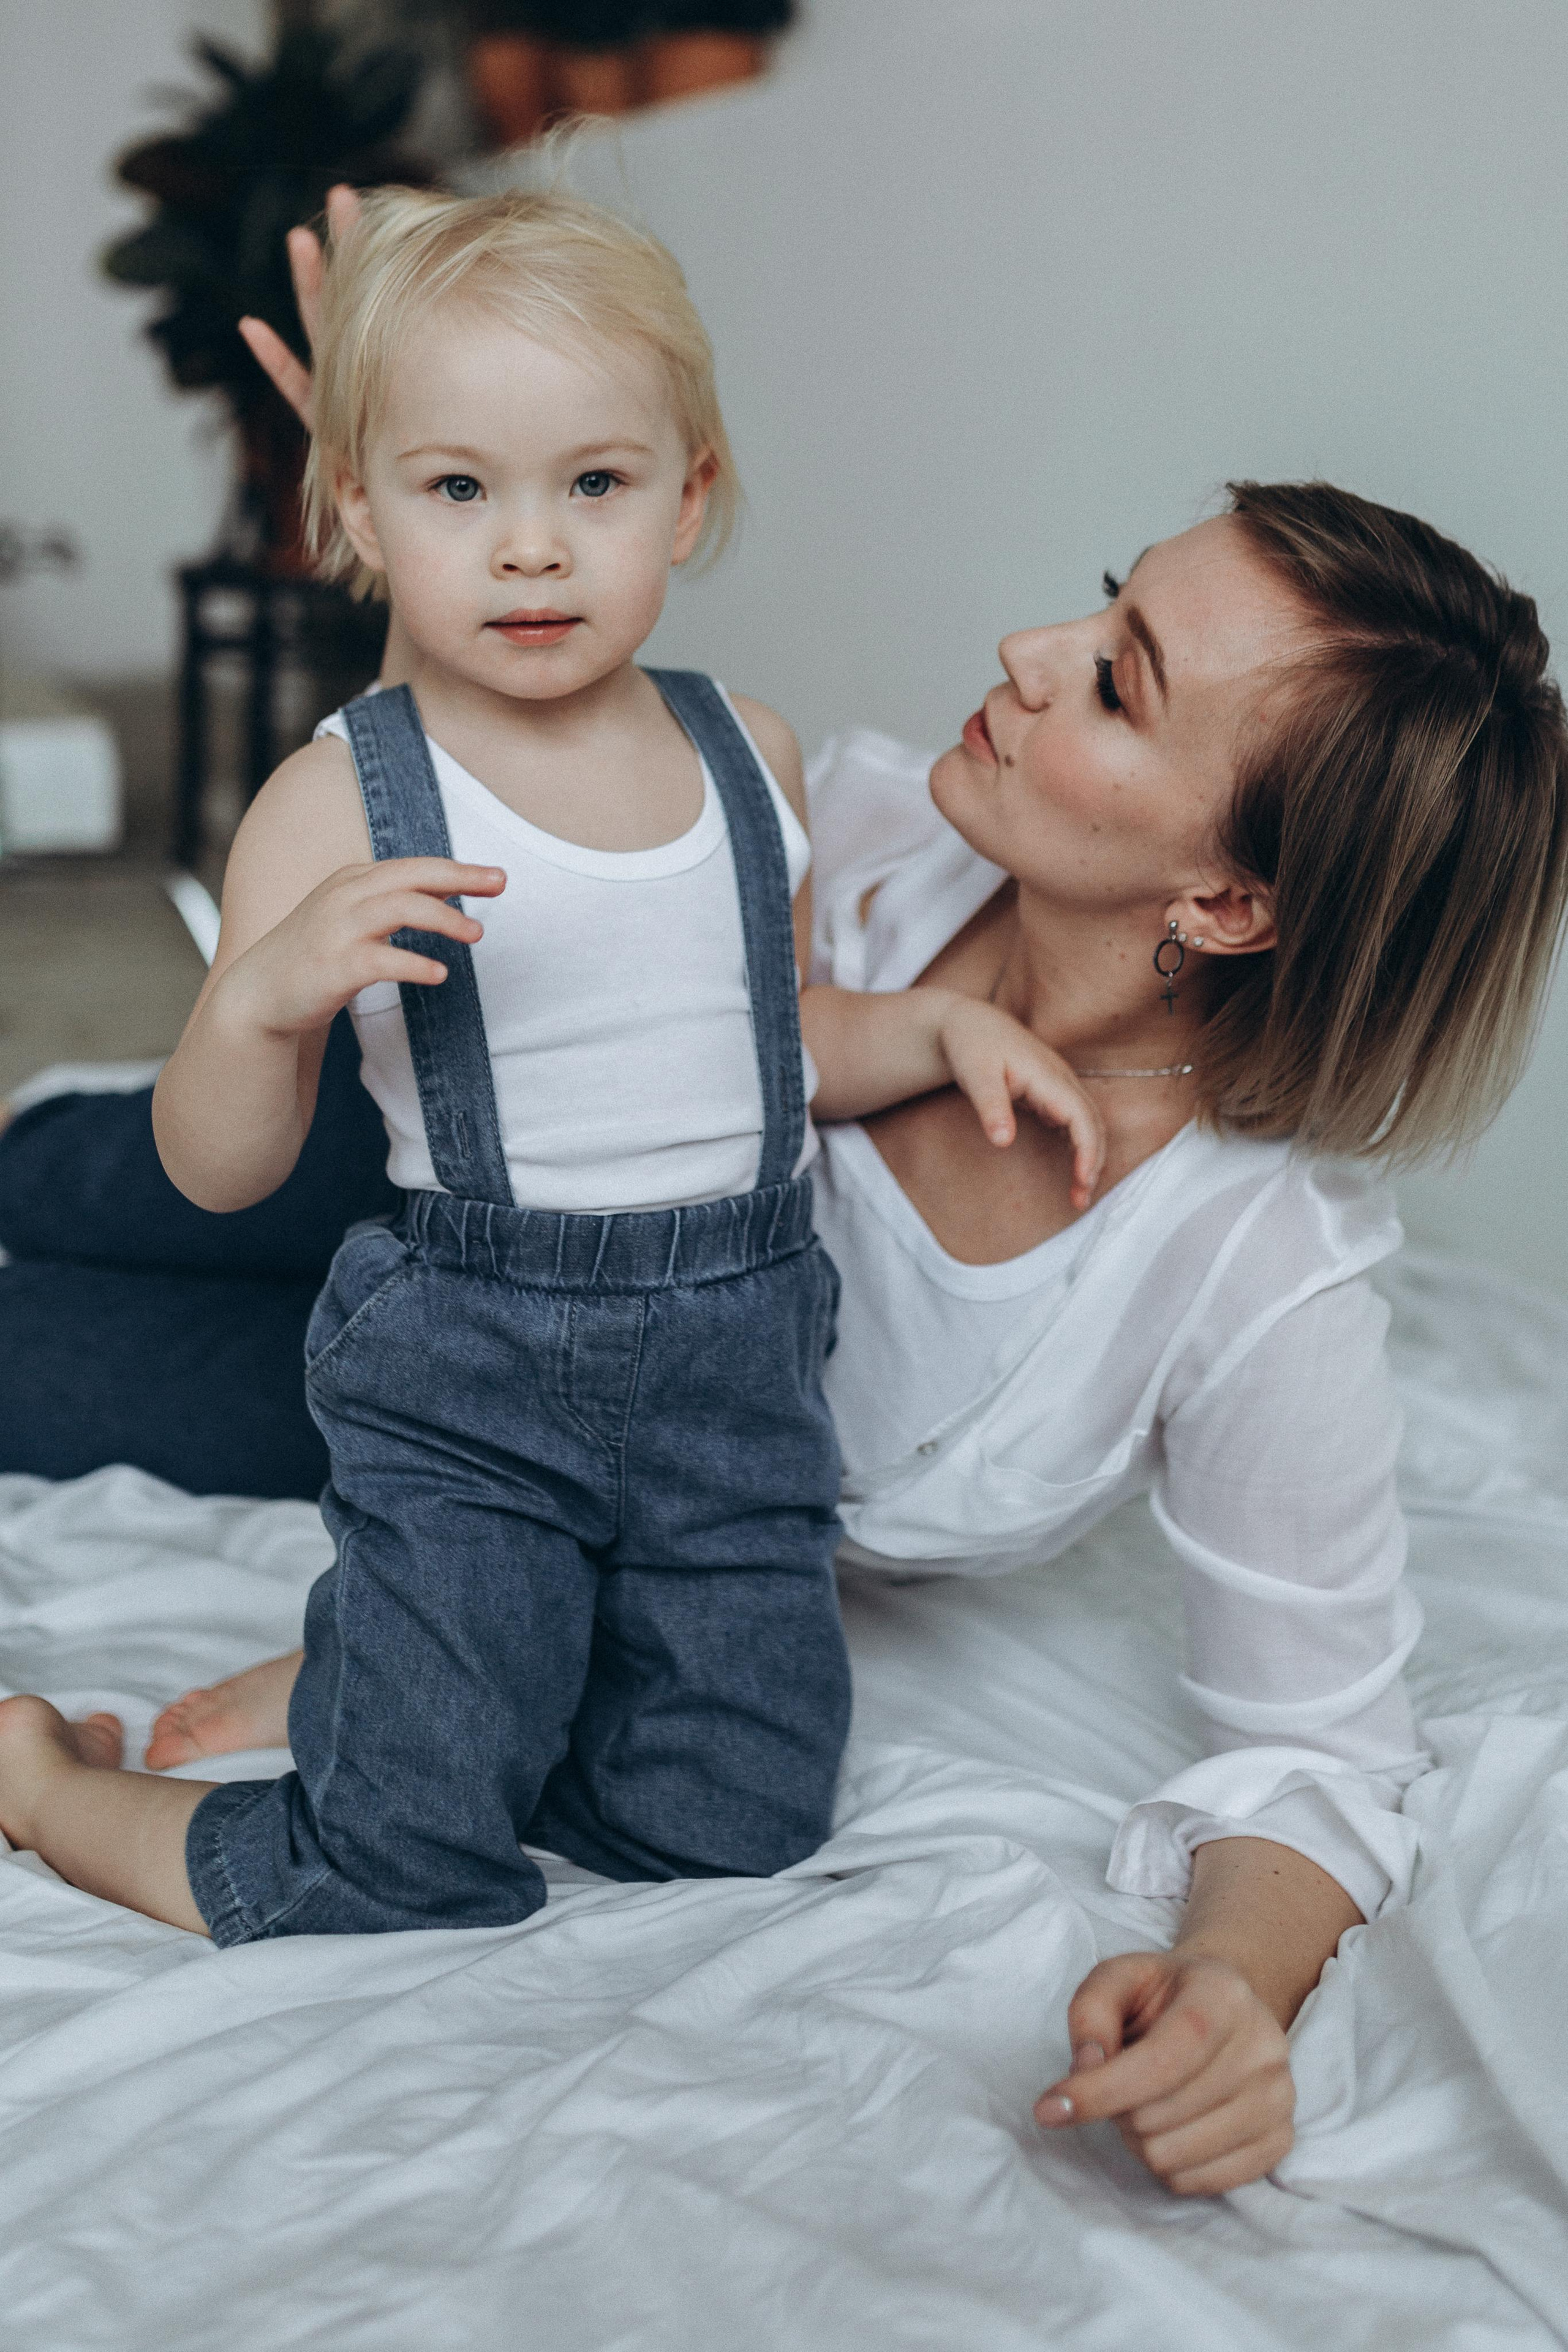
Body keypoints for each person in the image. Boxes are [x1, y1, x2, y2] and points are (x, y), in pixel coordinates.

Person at [2, 199, 1564, 2199]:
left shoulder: (1251, 1271)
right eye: (1100, 600)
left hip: (489, 1404)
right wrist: (404, 488)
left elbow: (1327, 1752)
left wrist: (1238, 1987)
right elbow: (509, 799)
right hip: (404, 1189)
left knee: (39, 1360)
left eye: (1116, 682)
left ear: (1232, 900)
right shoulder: (882, 823)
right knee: (80, 1155)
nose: (1027, 652)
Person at [0, 189, 1096, 1948]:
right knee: (402, 1861)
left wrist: (936, 1031)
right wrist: (260, 1003)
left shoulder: (749, 753)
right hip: (473, 1371)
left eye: (594, 485)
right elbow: (220, 1166)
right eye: (458, 490)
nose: (532, 548)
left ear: (693, 492)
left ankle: (463, 1702)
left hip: (736, 1378)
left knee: (736, 1817)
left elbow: (766, 1040)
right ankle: (62, 1786)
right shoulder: (340, 792)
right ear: (354, 508)